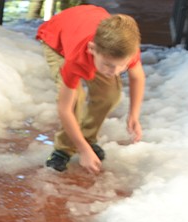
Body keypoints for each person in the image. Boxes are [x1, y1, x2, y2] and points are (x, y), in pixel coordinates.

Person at [37, 5, 146, 174]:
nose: (115, 72)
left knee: (110, 94)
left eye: (121, 66)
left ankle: (87, 137)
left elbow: (137, 76)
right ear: (92, 49)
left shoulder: (126, 49)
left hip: (89, 31)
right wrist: (82, 150)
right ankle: (64, 149)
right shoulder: (77, 59)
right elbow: (64, 109)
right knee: (75, 100)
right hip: (57, 40)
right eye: (109, 65)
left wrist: (134, 115)